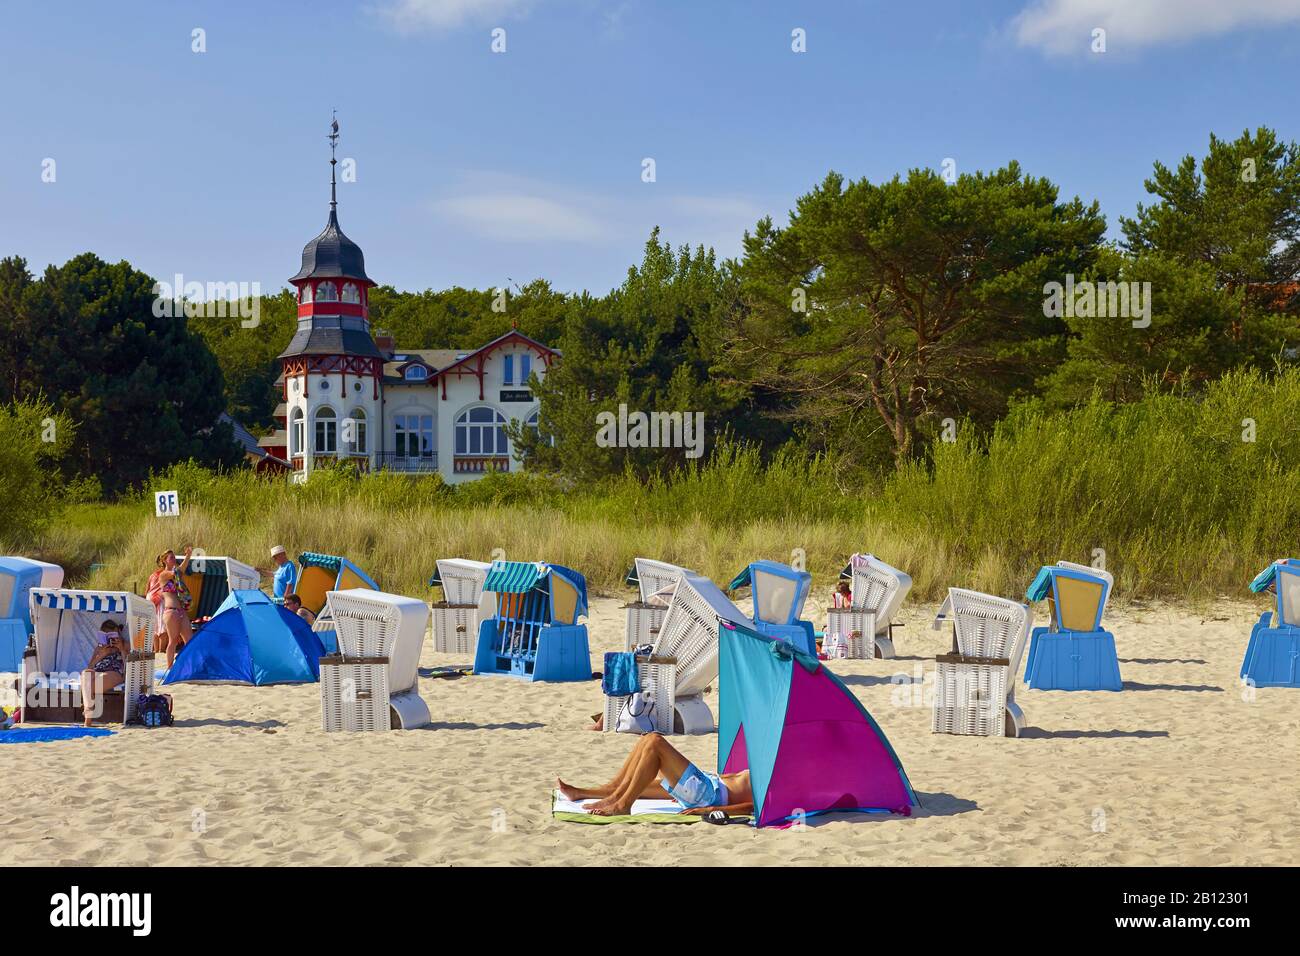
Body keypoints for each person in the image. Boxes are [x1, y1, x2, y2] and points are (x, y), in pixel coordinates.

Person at [556, 732, 754, 817]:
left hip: (708, 796)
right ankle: (586, 793)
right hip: (708, 786)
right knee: (647, 740)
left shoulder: (779, 786)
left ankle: (622, 804)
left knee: (655, 743)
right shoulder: (768, 771)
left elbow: (752, 808)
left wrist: (707, 810)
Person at [81, 620, 127, 727]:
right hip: (97, 671)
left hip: (114, 672)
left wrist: (122, 650)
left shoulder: (125, 645)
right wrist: (102, 654)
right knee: (85, 673)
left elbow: (127, 667)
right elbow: (90, 667)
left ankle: (88, 716)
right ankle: (89, 709)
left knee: (88, 687)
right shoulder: (99, 648)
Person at [157, 546, 194, 669]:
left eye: (174, 557)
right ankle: (170, 668)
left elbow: (180, 570)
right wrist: (183, 563)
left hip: (181, 611)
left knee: (190, 640)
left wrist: (188, 555)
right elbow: (177, 571)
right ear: (164, 561)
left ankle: (189, 666)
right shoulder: (163, 575)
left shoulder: (177, 574)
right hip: (171, 611)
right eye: (171, 558)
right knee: (173, 640)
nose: (174, 559)